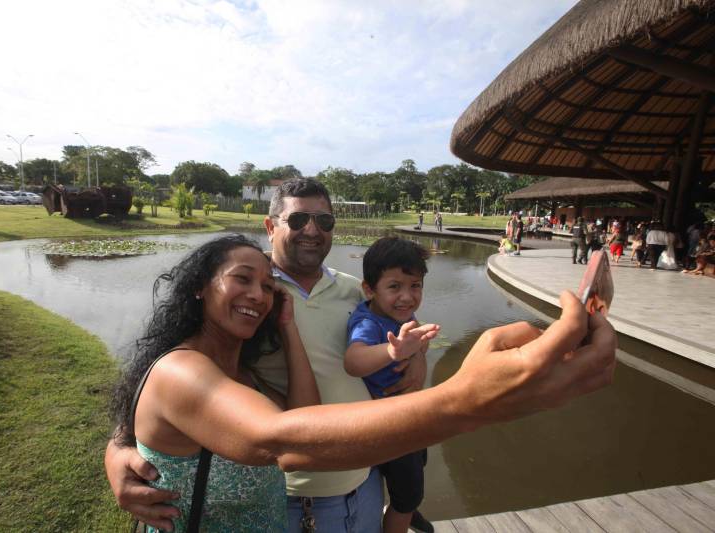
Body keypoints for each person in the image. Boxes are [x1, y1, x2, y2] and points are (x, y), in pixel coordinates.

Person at [105, 178, 617, 533]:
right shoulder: (244, 297)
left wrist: (414, 361)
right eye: (298, 219)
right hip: (280, 491)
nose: (312, 229)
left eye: (323, 219)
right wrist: (120, 446)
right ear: (270, 226)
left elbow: (391, 346)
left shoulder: (359, 292)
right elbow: (171, 380)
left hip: (359, 480)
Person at [111, 234, 320, 531]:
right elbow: (293, 440)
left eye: (268, 287)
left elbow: (306, 420)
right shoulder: (179, 370)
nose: (259, 296)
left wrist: (288, 326)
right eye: (242, 279)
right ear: (200, 286)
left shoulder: (248, 377)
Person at [343, 237, 439, 533]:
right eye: (394, 286)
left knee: (415, 471)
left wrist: (419, 352)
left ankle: (408, 507)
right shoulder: (369, 323)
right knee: (406, 493)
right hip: (391, 425)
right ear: (369, 289)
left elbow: (414, 336)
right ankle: (404, 511)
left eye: (415, 286)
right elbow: (354, 360)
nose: (407, 297)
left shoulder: (398, 314)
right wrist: (393, 352)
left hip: (407, 416)